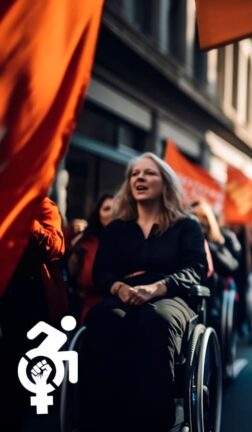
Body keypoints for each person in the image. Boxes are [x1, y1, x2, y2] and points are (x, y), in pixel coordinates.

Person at [78, 153, 207, 432]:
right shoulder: (116, 229)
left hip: (171, 294)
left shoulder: (186, 226)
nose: (140, 178)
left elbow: (197, 267)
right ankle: (100, 419)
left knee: (156, 321)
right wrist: (118, 287)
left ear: (165, 183)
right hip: (125, 292)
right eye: (135, 174)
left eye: (149, 173)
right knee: (104, 317)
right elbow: (101, 272)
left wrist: (158, 288)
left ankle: (153, 422)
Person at [0, 197, 67, 431]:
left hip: (26, 297)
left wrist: (24, 216)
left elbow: (56, 248)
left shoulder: (41, 205)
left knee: (19, 378)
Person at [68, 194, 114, 322]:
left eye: (117, 209)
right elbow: (79, 277)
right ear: (98, 213)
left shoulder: (131, 242)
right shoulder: (85, 243)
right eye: (107, 209)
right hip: (89, 311)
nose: (112, 214)